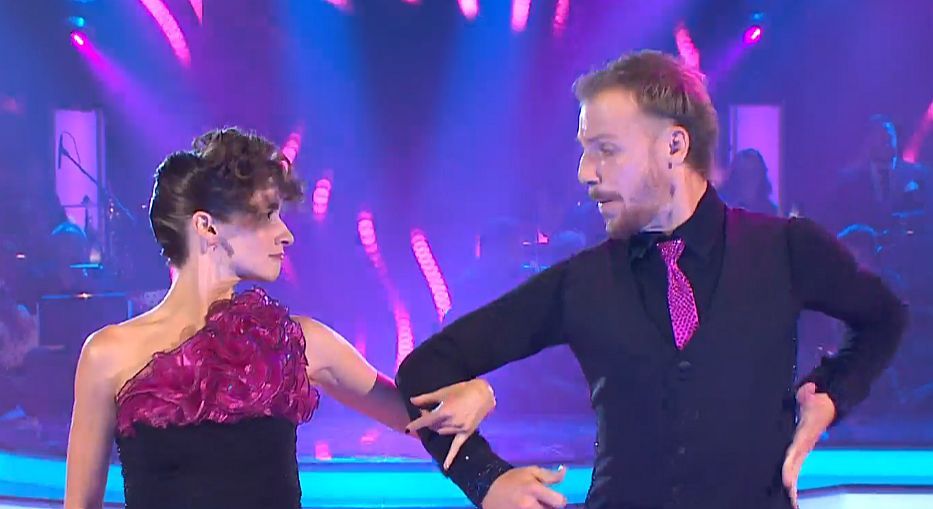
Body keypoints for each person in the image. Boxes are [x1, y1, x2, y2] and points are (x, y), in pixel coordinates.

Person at [396, 51, 906, 509]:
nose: (585, 172)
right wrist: (486, 479)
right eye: (585, 150)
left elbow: (885, 317)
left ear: (674, 146)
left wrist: (832, 393)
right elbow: (423, 370)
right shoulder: (582, 280)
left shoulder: (785, 249)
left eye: (606, 149)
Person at [64, 128, 496, 509]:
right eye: (267, 215)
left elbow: (422, 419)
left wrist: (478, 394)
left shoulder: (298, 342)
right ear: (207, 227)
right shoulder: (108, 355)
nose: (285, 234)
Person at [718, 148, 779, 215]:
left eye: (753, 173)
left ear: (761, 177)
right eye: (743, 172)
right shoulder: (722, 207)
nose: (748, 178)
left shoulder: (772, 212)